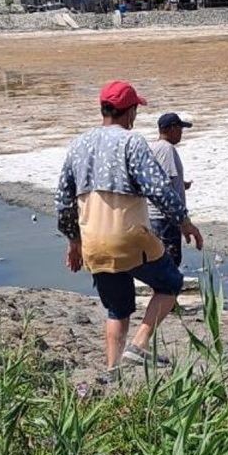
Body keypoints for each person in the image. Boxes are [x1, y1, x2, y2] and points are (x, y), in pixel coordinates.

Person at [55, 80, 204, 378]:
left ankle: (113, 373)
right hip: (128, 235)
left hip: (93, 241)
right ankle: (139, 345)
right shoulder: (131, 142)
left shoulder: (78, 144)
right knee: (170, 283)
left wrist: (74, 242)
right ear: (131, 111)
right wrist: (183, 220)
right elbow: (158, 188)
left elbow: (62, 200)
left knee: (117, 309)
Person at [148, 112, 194, 266]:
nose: (181, 133)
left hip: (152, 215)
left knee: (158, 262)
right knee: (171, 263)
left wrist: (182, 184)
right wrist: (182, 219)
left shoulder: (152, 147)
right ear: (172, 128)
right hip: (165, 218)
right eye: (180, 128)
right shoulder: (167, 149)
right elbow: (164, 185)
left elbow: (154, 179)